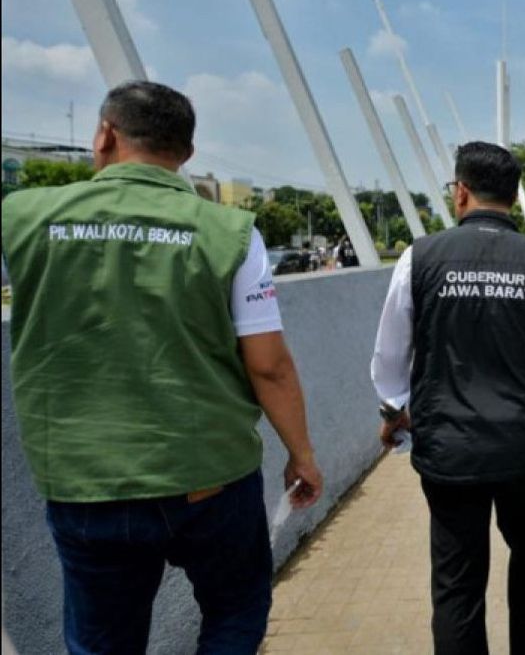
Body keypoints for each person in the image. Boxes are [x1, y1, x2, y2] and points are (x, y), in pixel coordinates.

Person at [0, 81, 323, 654]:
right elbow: (269, 366)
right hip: (211, 480)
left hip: (85, 483)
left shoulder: (22, 216)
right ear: (186, 154)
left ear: (104, 133)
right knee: (235, 611)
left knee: (102, 643)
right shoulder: (230, 233)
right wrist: (301, 455)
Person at [371, 141, 525, 654]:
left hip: (448, 447)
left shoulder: (419, 256)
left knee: (457, 581)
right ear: (513, 197)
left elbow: (389, 355)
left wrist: (393, 408)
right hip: (523, 446)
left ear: (461, 192)